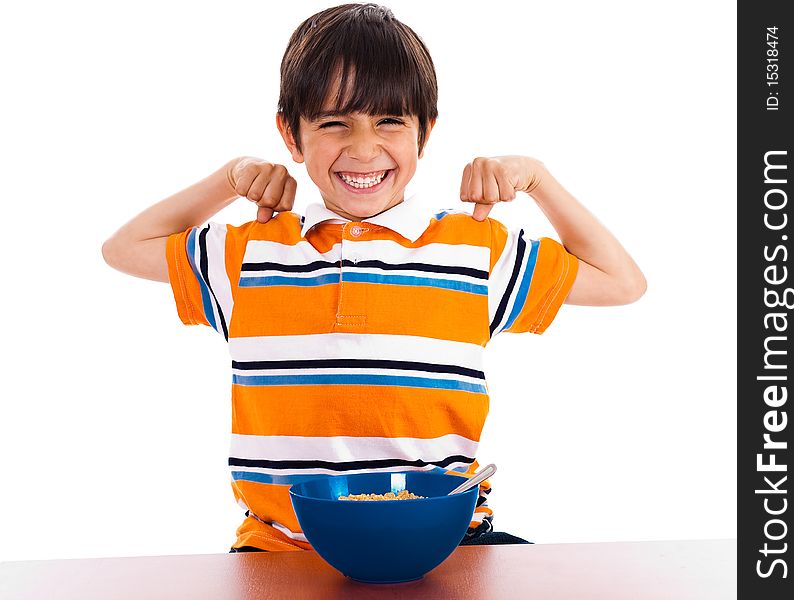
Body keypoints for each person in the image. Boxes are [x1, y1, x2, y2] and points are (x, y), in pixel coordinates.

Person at [102, 3, 646, 552]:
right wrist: (229, 179)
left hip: (445, 540)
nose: (363, 149)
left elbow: (621, 282)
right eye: (334, 123)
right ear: (291, 136)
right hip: (285, 549)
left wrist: (538, 178)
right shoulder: (250, 255)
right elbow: (123, 249)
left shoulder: (474, 250)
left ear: (424, 132)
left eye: (389, 121)